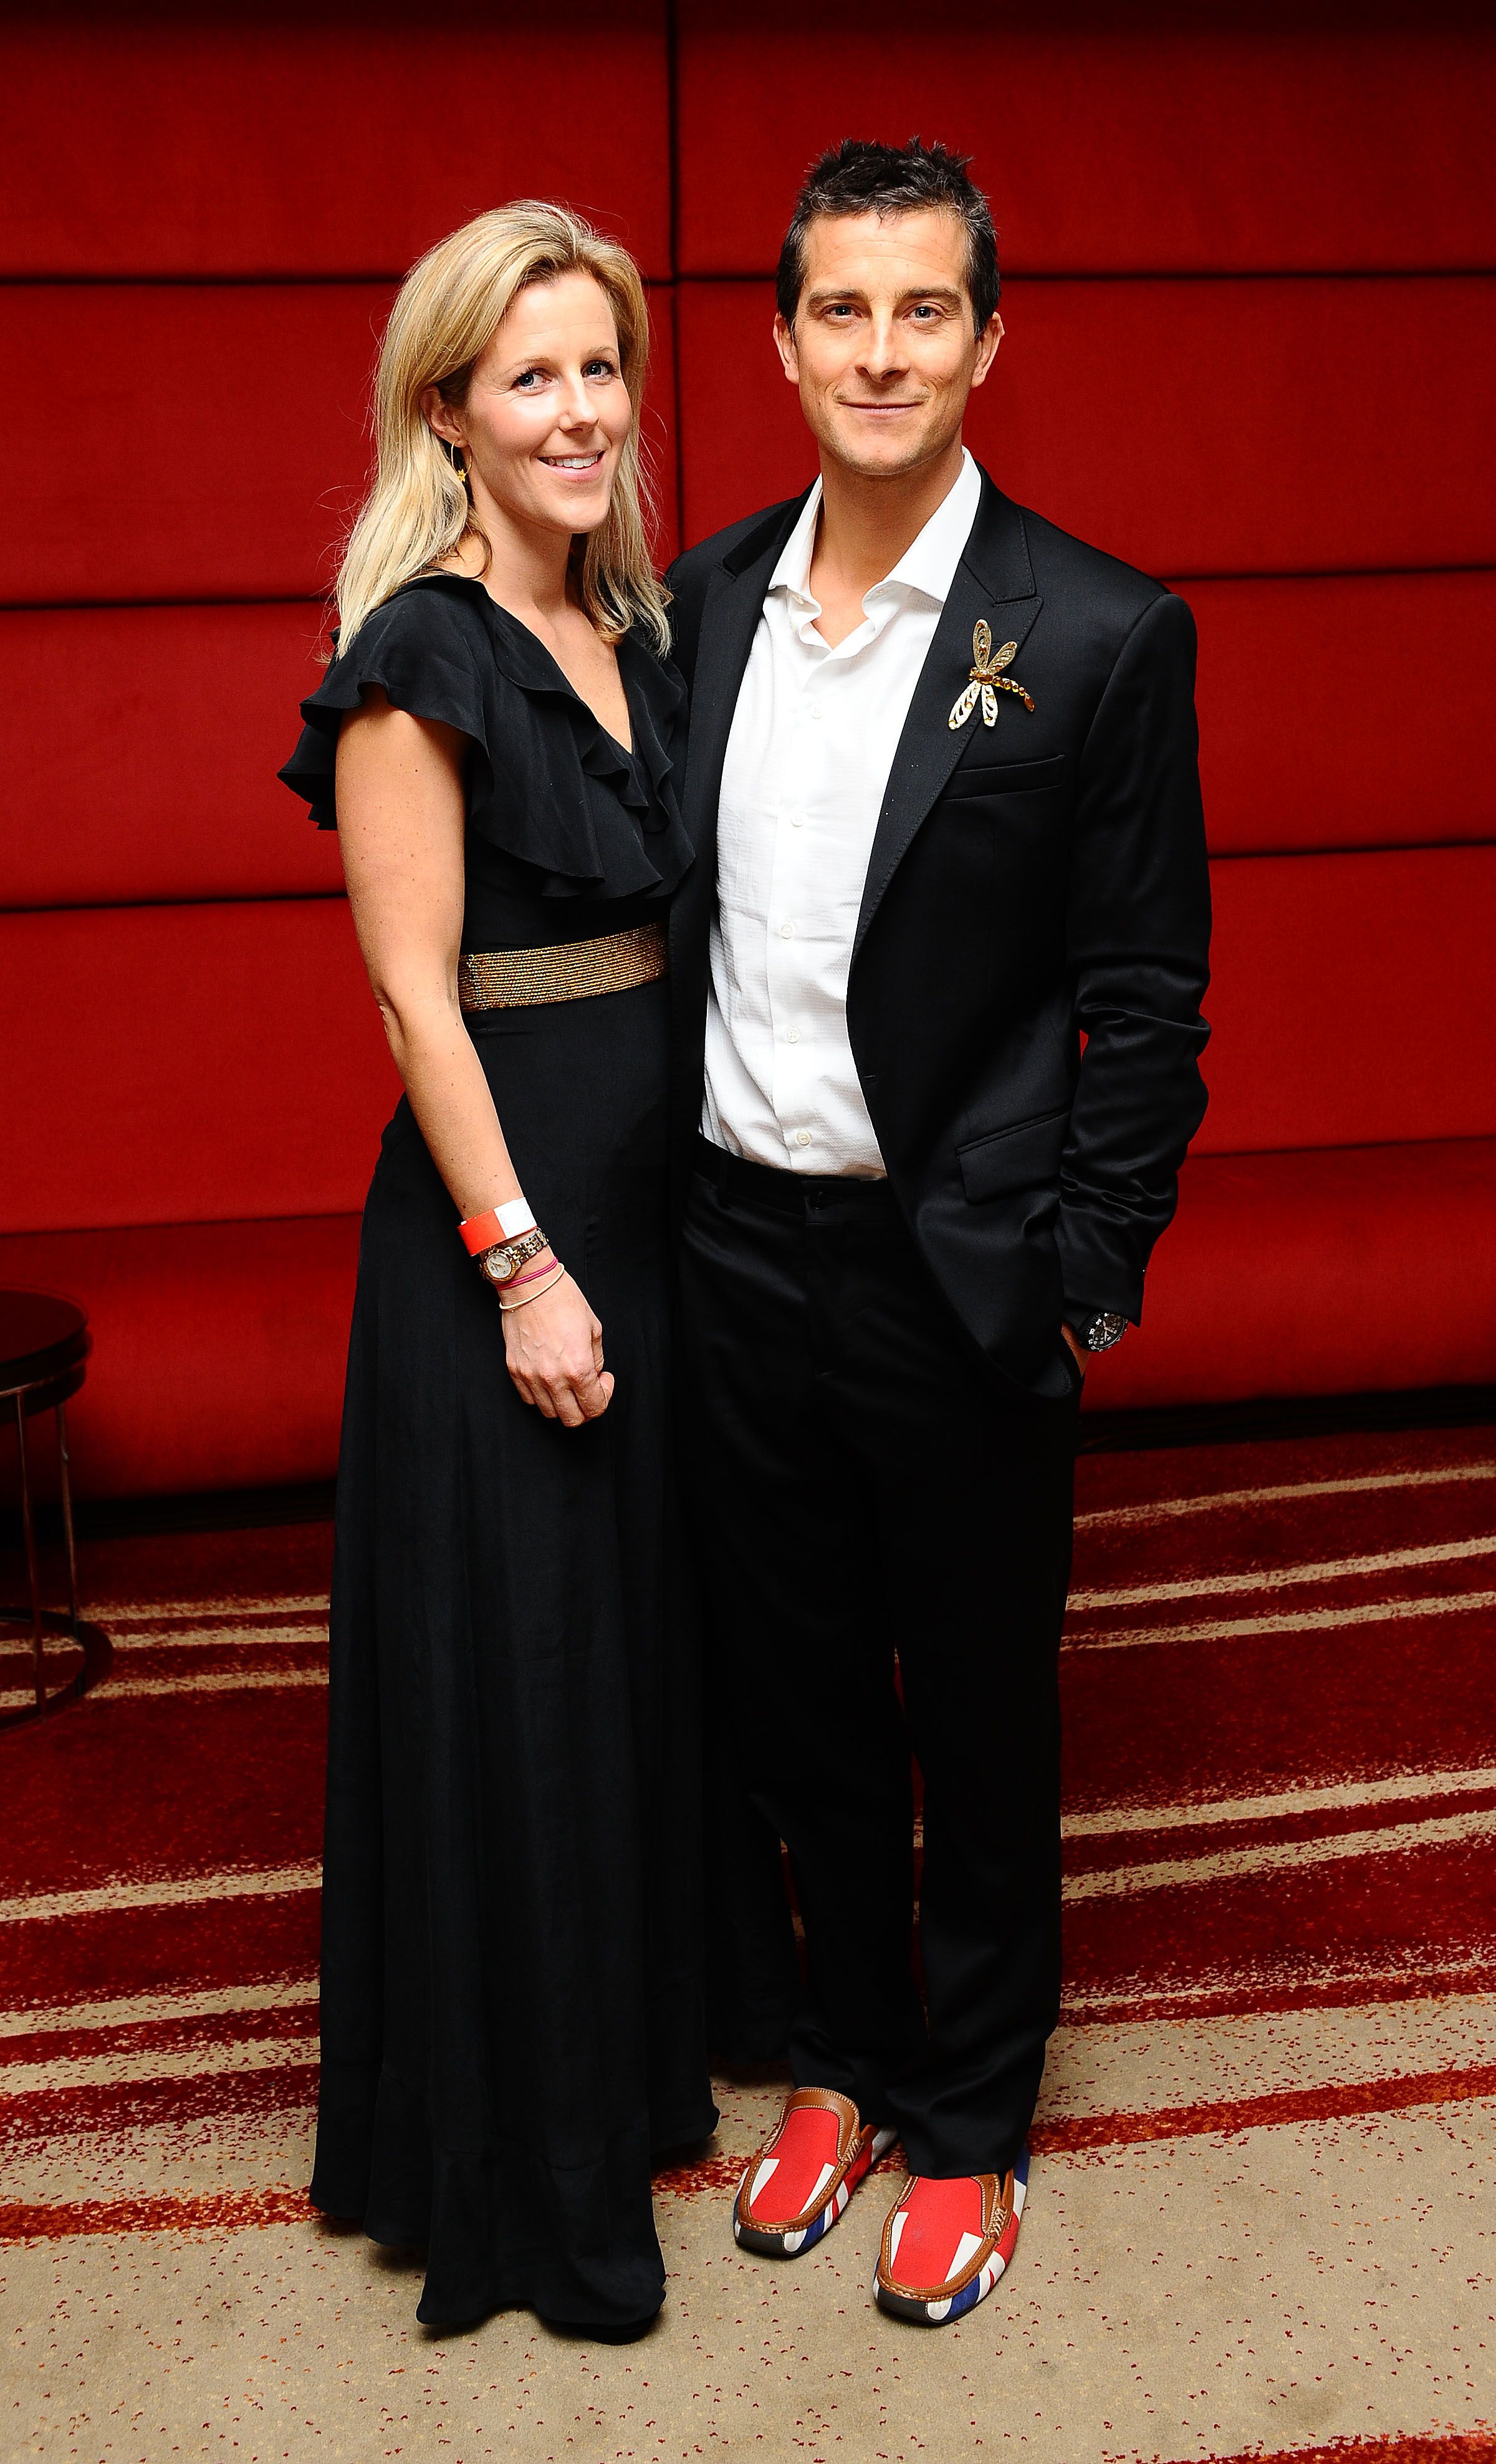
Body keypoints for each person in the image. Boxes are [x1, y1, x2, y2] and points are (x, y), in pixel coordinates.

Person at [666, 140, 1211, 2326]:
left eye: (922, 312)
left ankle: (973, 2122)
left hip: (955, 1276)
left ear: (989, 340)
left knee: (978, 1715)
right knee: (799, 1701)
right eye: (838, 310)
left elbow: (1150, 996)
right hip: (730, 1243)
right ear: (783, 335)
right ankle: (851, 2061)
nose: (877, 351)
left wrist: (1079, 1274)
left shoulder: (1092, 630)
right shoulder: (701, 602)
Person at [279, 203, 715, 2340]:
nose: (577, 411)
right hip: (506, 1254)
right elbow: (413, 1004)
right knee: (522, 1696)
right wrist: (523, 1264)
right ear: (443, 408)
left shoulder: (630, 626)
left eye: (602, 369)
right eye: (527, 373)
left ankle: (612, 2084)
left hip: (649, 1222)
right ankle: (519, 2187)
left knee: (615, 1673)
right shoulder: (421, 653)